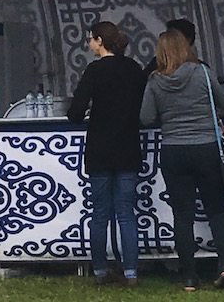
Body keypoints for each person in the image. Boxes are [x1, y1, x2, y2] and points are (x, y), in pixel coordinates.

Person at [141, 30, 224, 291]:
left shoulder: (155, 81)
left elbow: (146, 117)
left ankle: (190, 277)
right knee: (216, 210)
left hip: (174, 150)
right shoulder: (202, 72)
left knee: (182, 215)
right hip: (205, 147)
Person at [67, 20, 145, 287]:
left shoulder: (94, 70)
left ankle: (100, 270)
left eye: (90, 39)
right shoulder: (134, 69)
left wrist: (86, 113)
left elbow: (75, 112)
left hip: (99, 148)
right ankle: (132, 272)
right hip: (128, 146)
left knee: (100, 212)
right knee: (126, 211)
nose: (89, 43)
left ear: (100, 41)